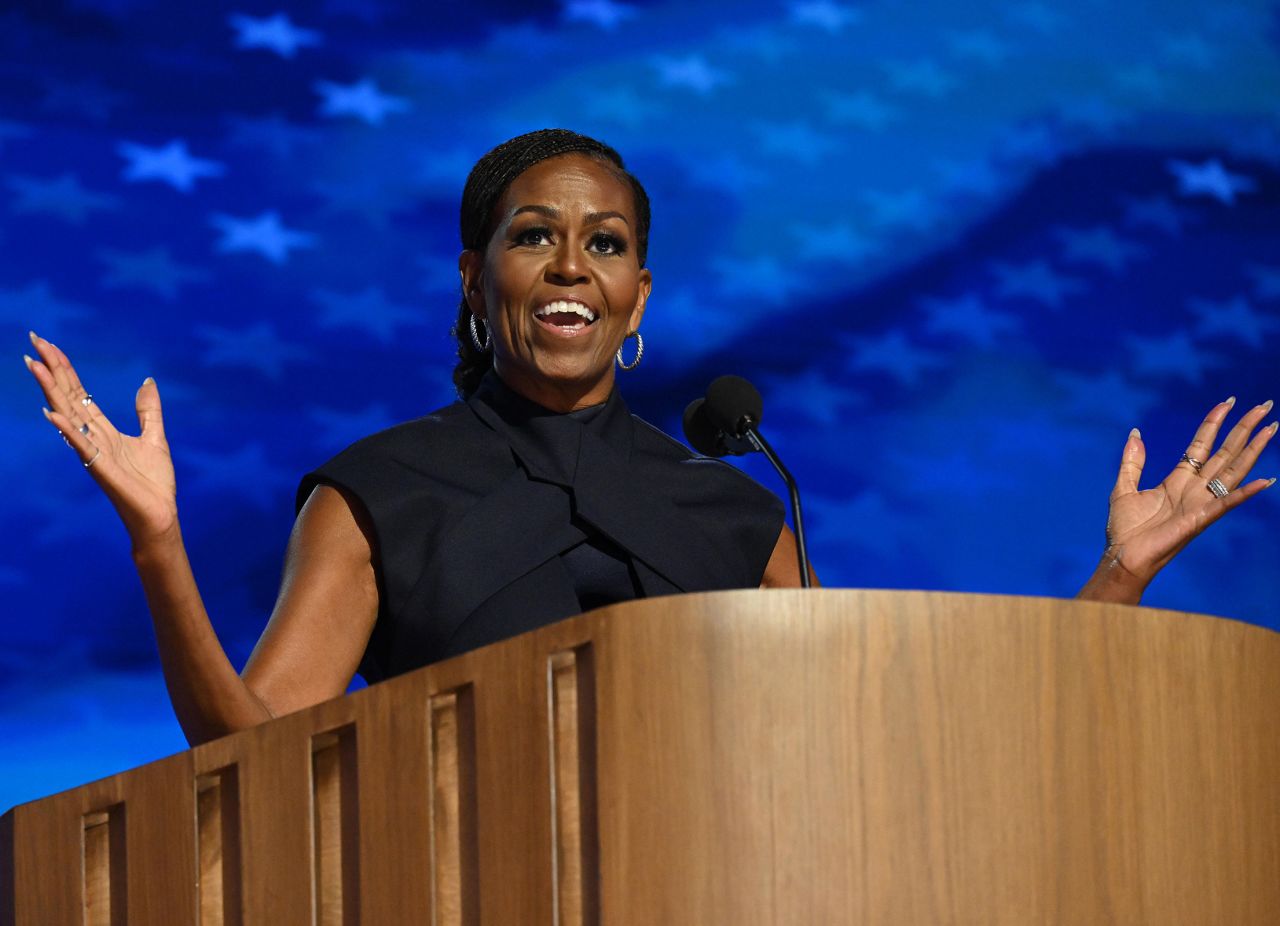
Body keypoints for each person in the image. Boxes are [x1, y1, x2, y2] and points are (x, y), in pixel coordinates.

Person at [23, 130, 1277, 747]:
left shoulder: (735, 509)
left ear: (639, 293)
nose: (570, 264)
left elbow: (879, 747)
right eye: (532, 234)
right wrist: (159, 542)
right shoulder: (376, 492)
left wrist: (1117, 578)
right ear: (474, 275)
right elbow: (247, 748)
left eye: (606, 242)